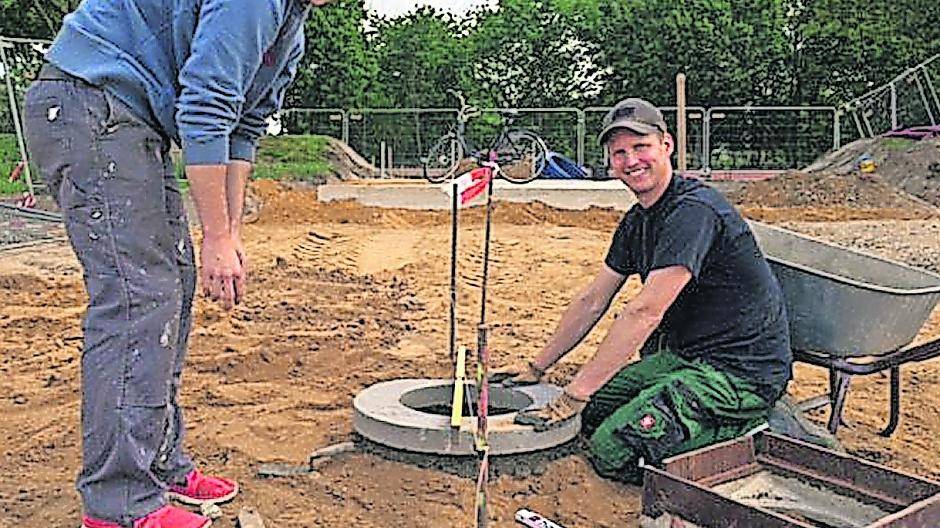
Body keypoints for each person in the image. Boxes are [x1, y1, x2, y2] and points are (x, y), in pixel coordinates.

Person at [22, 1, 334, 526]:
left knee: (172, 284)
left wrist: (230, 235)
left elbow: (242, 129)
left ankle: (158, 461)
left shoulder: (290, 28)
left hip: (128, 118)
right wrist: (213, 233)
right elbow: (205, 109)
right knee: (136, 297)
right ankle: (118, 503)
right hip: (89, 102)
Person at [510, 98, 793, 484]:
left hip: (740, 373)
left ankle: (753, 430)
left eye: (641, 147)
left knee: (613, 452)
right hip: (686, 356)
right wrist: (537, 367)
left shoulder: (694, 212)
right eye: (619, 153)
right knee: (590, 418)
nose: (631, 161)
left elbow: (645, 312)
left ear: (666, 145)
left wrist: (573, 394)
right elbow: (594, 299)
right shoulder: (637, 221)